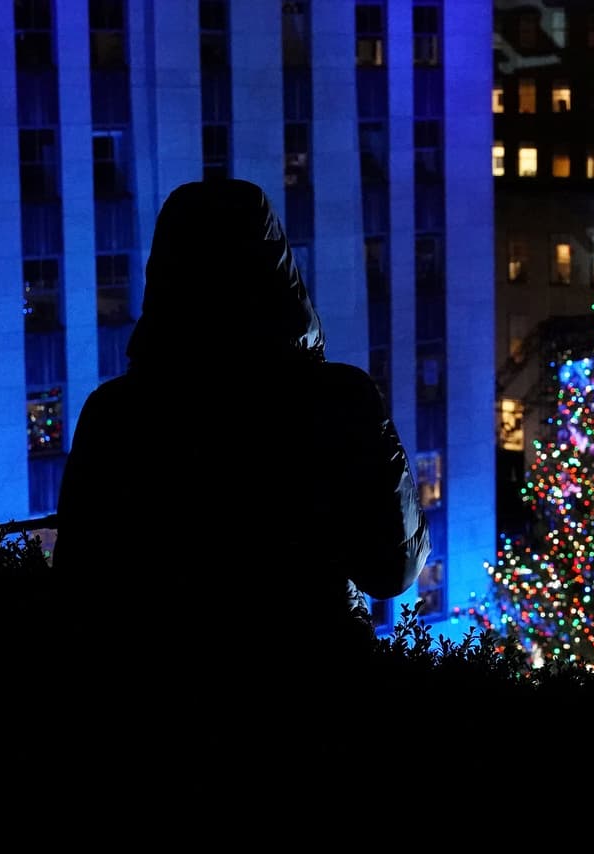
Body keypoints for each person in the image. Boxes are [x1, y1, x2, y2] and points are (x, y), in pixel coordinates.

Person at [50, 179, 431, 667]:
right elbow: (391, 567)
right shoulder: (338, 399)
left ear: (164, 274)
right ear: (279, 272)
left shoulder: (115, 413)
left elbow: (80, 586)